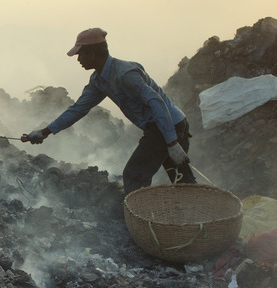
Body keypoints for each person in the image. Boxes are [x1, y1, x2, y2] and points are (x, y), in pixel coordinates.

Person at [25, 27, 196, 194]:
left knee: (134, 174)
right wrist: (44, 132)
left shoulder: (125, 74)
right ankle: (198, 216)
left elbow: (156, 103)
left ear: (92, 53)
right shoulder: (99, 80)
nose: (79, 59)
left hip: (166, 124)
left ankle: (137, 219)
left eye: (81, 54)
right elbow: (78, 109)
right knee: (181, 179)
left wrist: (171, 142)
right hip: (167, 125)